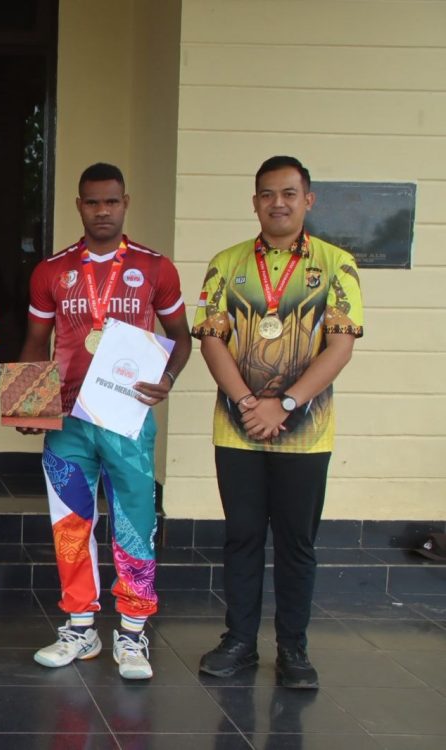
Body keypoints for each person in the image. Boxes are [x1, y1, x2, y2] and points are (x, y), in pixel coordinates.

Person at [192, 156, 363, 689]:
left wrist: (284, 405)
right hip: (236, 429)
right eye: (267, 194)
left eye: (289, 193)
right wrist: (248, 403)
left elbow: (340, 347)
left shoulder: (337, 264)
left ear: (308, 199)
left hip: (305, 434)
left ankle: (294, 649)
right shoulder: (226, 263)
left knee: (296, 543)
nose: (278, 203)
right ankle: (239, 642)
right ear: (255, 202)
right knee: (241, 537)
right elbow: (211, 341)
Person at [20, 163, 191, 680]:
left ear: (125, 203)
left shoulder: (155, 268)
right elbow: (35, 340)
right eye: (92, 202)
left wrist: (168, 378)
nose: (102, 211)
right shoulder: (51, 271)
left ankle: (133, 632)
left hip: (128, 419)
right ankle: (80, 626)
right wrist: (28, 402)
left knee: (134, 523)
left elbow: (181, 337)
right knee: (70, 523)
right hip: (69, 419)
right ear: (79, 205)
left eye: (111, 201)